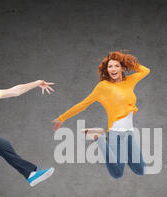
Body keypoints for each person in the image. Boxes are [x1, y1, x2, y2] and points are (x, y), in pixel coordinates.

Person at [52, 51, 150, 179]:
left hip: (129, 133)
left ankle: (101, 138)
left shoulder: (129, 81)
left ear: (122, 68)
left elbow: (145, 71)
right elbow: (83, 104)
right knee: (117, 173)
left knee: (141, 170)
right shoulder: (103, 87)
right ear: (106, 69)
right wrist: (61, 118)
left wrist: (125, 60)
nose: (113, 69)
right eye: (110, 66)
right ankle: (99, 137)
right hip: (116, 133)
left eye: (116, 66)